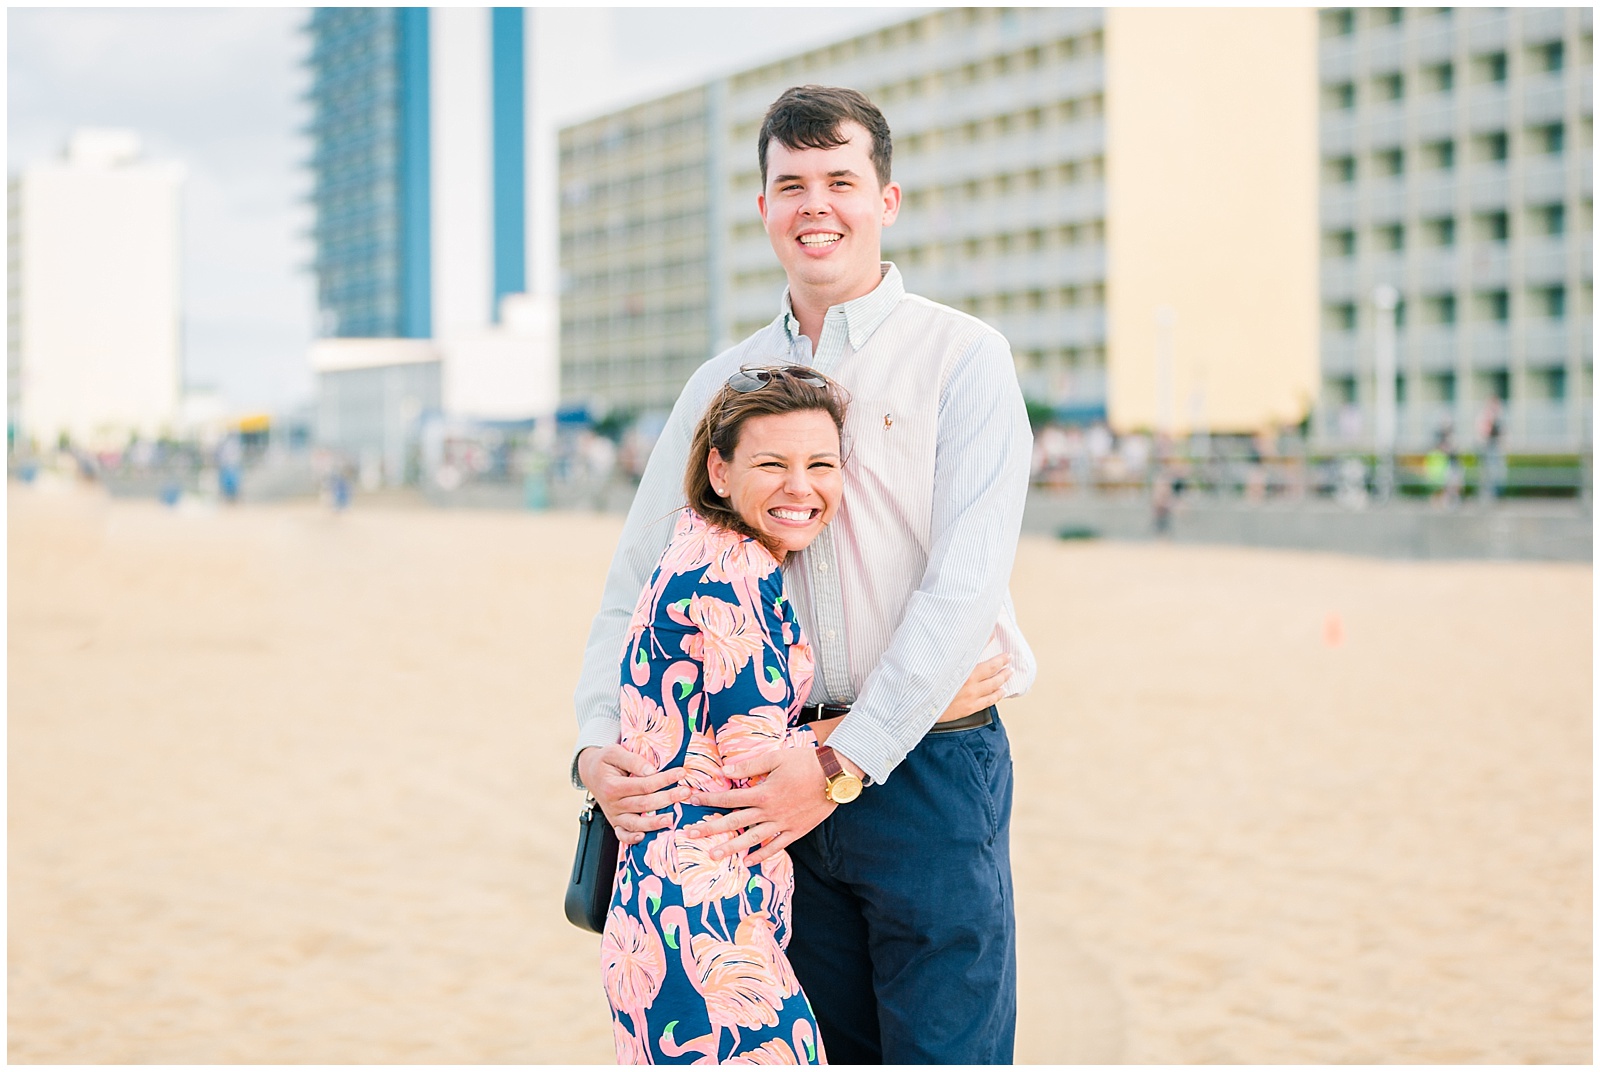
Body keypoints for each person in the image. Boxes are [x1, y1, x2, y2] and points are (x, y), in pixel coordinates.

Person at [573, 85, 1034, 1063]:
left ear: (887, 200)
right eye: (791, 184)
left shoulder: (963, 357)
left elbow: (967, 584)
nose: (815, 203)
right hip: (756, 781)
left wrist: (841, 759)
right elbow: (634, 582)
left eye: (840, 180)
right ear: (763, 210)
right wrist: (589, 746)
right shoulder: (721, 385)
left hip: (921, 766)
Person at [601, 367, 844, 1064]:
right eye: (772, 464)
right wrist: (918, 709)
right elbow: (760, 761)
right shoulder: (736, 574)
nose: (802, 488)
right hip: (709, 921)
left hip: (654, 904)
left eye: (820, 465)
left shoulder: (689, 544)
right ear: (719, 469)